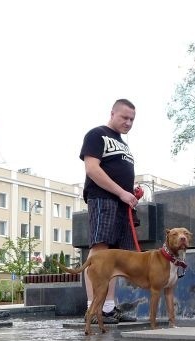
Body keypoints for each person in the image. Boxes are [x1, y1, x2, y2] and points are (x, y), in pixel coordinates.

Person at [79, 98, 140, 323]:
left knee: (113, 257)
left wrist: (129, 192)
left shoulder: (122, 143)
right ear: (112, 113)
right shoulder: (96, 134)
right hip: (103, 199)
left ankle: (107, 308)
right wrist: (121, 192)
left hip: (121, 204)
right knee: (100, 252)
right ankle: (92, 309)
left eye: (132, 119)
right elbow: (92, 169)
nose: (128, 122)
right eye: (124, 117)